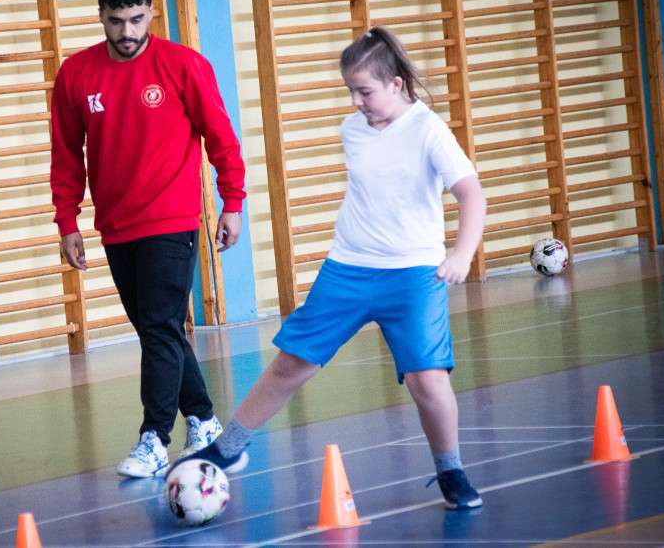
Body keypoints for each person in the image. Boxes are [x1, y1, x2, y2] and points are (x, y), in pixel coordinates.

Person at [170, 26, 487, 510]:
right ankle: (229, 449)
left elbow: (471, 195)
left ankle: (451, 470)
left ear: (395, 84)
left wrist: (461, 254)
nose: (357, 102)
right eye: (351, 91)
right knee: (292, 361)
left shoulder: (428, 130)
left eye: (366, 91)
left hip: (413, 273)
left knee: (427, 379)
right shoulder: (353, 129)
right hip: (348, 267)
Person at [49, 0, 247, 478]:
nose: (128, 33)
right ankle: (203, 420)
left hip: (172, 217)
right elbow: (67, 156)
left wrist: (233, 202)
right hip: (116, 225)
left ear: (151, 13)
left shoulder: (184, 66)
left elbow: (222, 139)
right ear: (101, 18)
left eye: (137, 19)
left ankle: (154, 439)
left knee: (159, 325)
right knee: (155, 328)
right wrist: (66, 220)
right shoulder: (75, 75)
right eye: (117, 22)